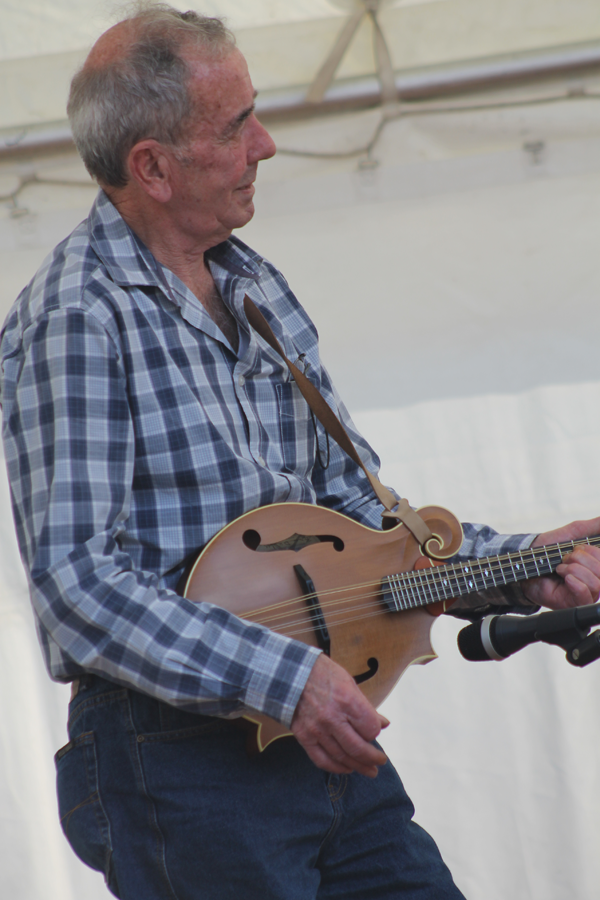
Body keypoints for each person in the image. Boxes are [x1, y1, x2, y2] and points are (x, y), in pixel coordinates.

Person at [1, 5, 599, 899]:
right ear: (152, 167)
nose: (267, 145)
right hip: (177, 760)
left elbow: (360, 520)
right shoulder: (76, 316)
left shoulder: (255, 286)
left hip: (317, 739)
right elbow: (77, 582)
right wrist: (288, 680)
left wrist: (525, 565)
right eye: (235, 126)